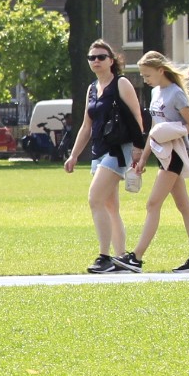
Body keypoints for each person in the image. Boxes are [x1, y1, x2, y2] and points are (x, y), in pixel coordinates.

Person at [62, 39, 145, 273]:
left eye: (101, 57)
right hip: (100, 150)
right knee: (110, 206)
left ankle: (105, 256)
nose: (96, 61)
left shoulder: (121, 83)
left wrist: (139, 149)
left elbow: (137, 117)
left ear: (112, 61)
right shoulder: (91, 89)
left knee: (94, 198)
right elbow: (86, 126)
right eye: (92, 58)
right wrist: (74, 155)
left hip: (120, 149)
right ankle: (121, 258)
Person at [124, 53, 189, 273]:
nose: (145, 79)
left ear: (161, 70)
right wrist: (143, 158)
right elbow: (154, 129)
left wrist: (170, 130)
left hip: (175, 155)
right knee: (184, 206)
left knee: (153, 204)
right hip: (163, 154)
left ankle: (136, 257)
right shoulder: (155, 92)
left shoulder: (176, 94)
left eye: (147, 75)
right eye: (143, 75)